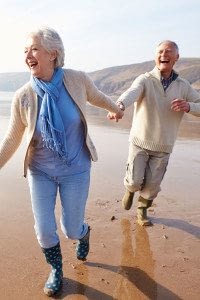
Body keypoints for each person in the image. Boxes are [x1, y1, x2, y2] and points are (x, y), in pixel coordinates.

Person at [0, 27, 123, 296]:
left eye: (33, 49)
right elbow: (12, 139)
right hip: (40, 171)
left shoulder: (77, 80)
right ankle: (56, 270)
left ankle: (84, 233)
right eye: (25, 51)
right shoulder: (23, 96)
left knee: (71, 228)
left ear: (53, 53)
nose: (27, 56)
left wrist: (117, 109)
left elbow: (98, 97)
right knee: (44, 230)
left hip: (76, 169)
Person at [108, 40, 200, 226]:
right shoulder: (145, 79)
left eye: (168, 52)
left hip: (164, 145)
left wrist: (189, 106)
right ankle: (129, 190)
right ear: (155, 55)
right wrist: (118, 106)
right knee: (134, 181)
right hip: (140, 141)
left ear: (176, 58)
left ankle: (142, 211)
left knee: (151, 187)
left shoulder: (183, 85)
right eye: (160, 51)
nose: (163, 55)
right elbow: (131, 93)